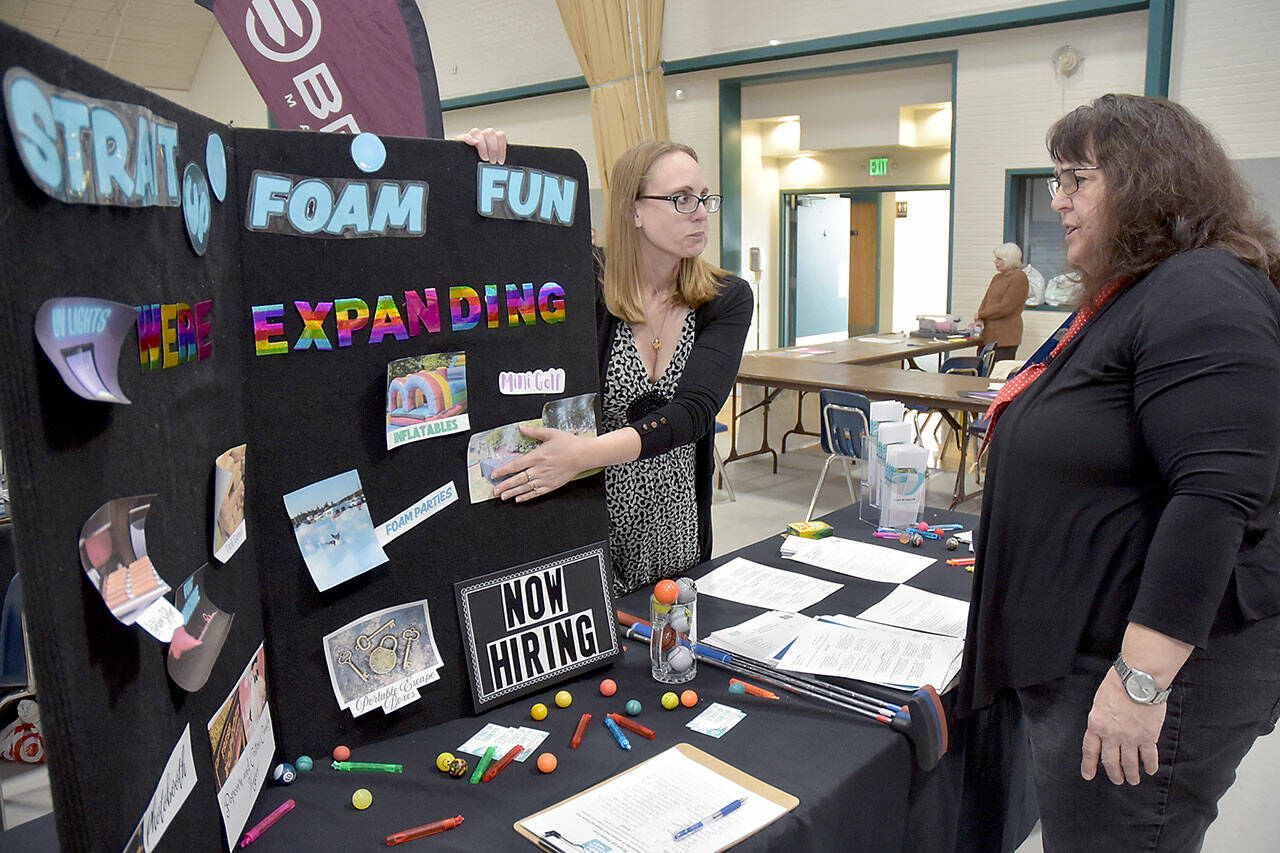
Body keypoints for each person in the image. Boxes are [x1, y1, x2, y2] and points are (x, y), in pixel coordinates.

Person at [958, 93, 1280, 851]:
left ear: (1148, 182)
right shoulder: (1132, 294)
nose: (1059, 201)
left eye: (1078, 179)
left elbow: (1214, 495)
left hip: (1157, 673)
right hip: (1094, 652)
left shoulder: (1202, 288)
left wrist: (1139, 683)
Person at [492, 141, 752, 594]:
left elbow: (694, 413)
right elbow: (502, 261)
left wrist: (579, 456)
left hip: (676, 530)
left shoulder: (725, 297)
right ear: (634, 210)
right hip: (589, 524)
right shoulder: (585, 288)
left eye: (705, 198)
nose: (700, 213)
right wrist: (484, 162)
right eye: (681, 198)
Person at [974, 242, 1028, 362]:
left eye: (999, 259)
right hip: (987, 336)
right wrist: (979, 318)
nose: (995, 262)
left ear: (1009, 260)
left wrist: (982, 314)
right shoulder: (997, 278)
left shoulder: (1019, 278)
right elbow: (985, 301)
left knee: (996, 374)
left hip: (1005, 339)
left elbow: (1006, 307)